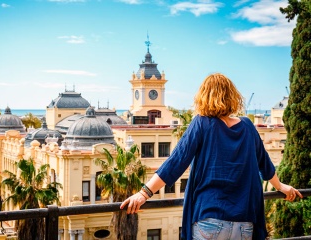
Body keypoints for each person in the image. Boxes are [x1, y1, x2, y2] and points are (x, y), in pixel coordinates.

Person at [120, 73, 303, 240]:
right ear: (232, 96)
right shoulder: (248, 126)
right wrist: (281, 187)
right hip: (244, 223)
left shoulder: (201, 123)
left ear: (203, 97)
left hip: (209, 221)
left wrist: (144, 193)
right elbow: (266, 165)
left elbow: (176, 162)